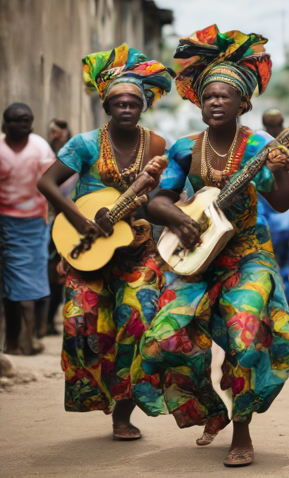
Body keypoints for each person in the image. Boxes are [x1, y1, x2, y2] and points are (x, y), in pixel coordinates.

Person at [131, 25, 289, 467]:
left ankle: (241, 433)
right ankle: (209, 410)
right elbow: (156, 202)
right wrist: (179, 218)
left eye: (225, 96)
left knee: (245, 338)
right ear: (199, 103)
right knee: (163, 339)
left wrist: (281, 170)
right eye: (208, 96)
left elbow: (281, 204)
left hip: (247, 255)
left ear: (244, 102)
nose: (215, 102)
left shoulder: (260, 147)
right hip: (195, 256)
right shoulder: (187, 149)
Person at [37, 44, 173, 440]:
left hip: (135, 251)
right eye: (119, 102)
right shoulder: (83, 144)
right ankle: (100, 396)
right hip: (86, 252)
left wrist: (140, 205)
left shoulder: (158, 147)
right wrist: (79, 219)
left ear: (144, 105)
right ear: (107, 107)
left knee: (138, 320)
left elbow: (164, 198)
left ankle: (123, 414)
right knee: (79, 322)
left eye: (134, 102)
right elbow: (46, 182)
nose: (127, 108)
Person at [0, 103, 55, 355]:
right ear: (5, 124)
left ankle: (29, 338)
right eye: (16, 120)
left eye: (27, 120)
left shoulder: (40, 147)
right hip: (4, 221)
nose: (23, 124)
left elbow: (52, 182)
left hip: (33, 223)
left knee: (31, 283)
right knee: (11, 286)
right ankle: (13, 342)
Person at [46, 119, 75, 336]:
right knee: (52, 269)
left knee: (66, 271)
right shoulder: (47, 156)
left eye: (56, 132)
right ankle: (46, 321)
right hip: (52, 220)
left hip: (74, 220)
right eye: (51, 132)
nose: (53, 135)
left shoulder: (75, 156)